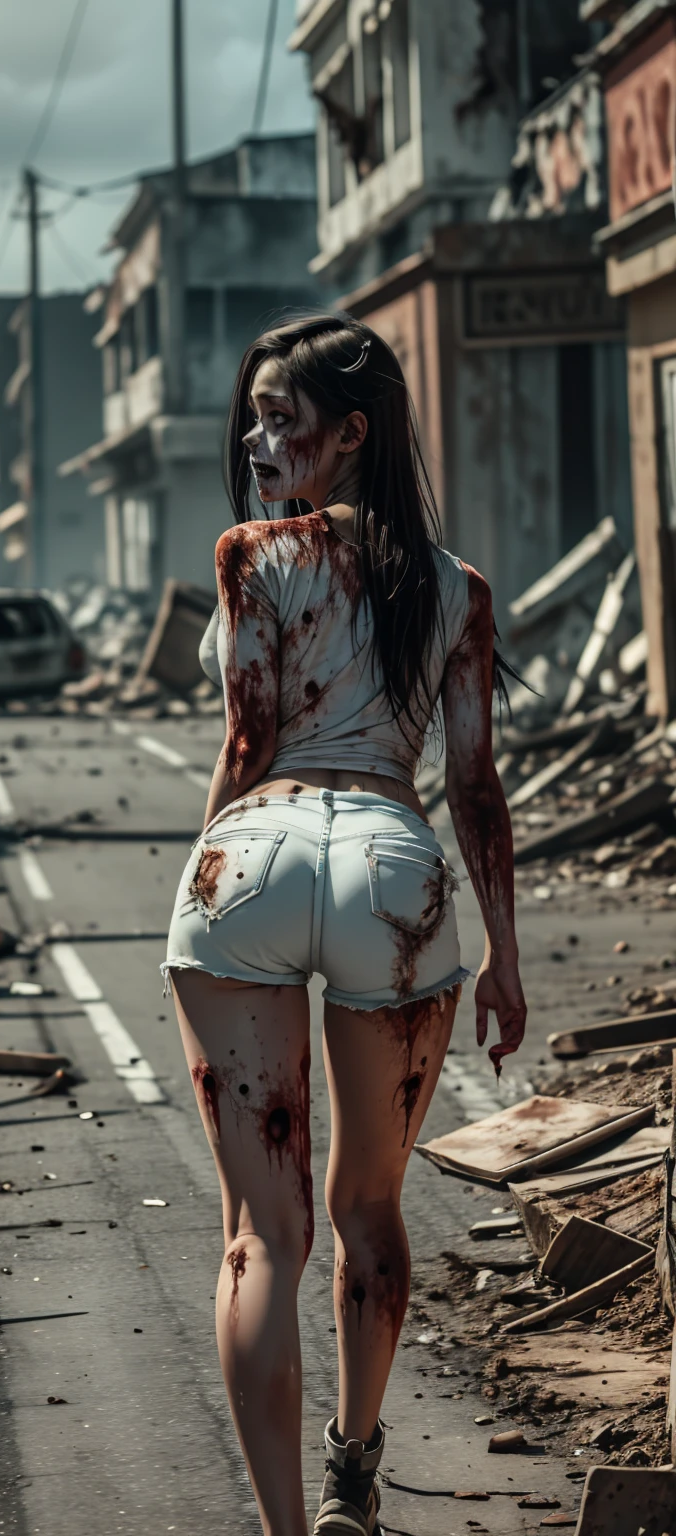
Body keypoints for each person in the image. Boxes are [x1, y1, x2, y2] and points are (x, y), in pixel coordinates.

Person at [162, 313, 525, 1536]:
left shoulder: (251, 556)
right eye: (254, 417)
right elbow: (474, 787)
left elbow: (248, 745)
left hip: (254, 861)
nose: (260, 440)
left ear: (349, 435)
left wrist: (202, 876)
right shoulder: (457, 589)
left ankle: (282, 1529)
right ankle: (350, 1474)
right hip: (395, 873)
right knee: (370, 1208)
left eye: (283, 420)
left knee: (262, 1234)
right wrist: (505, 963)